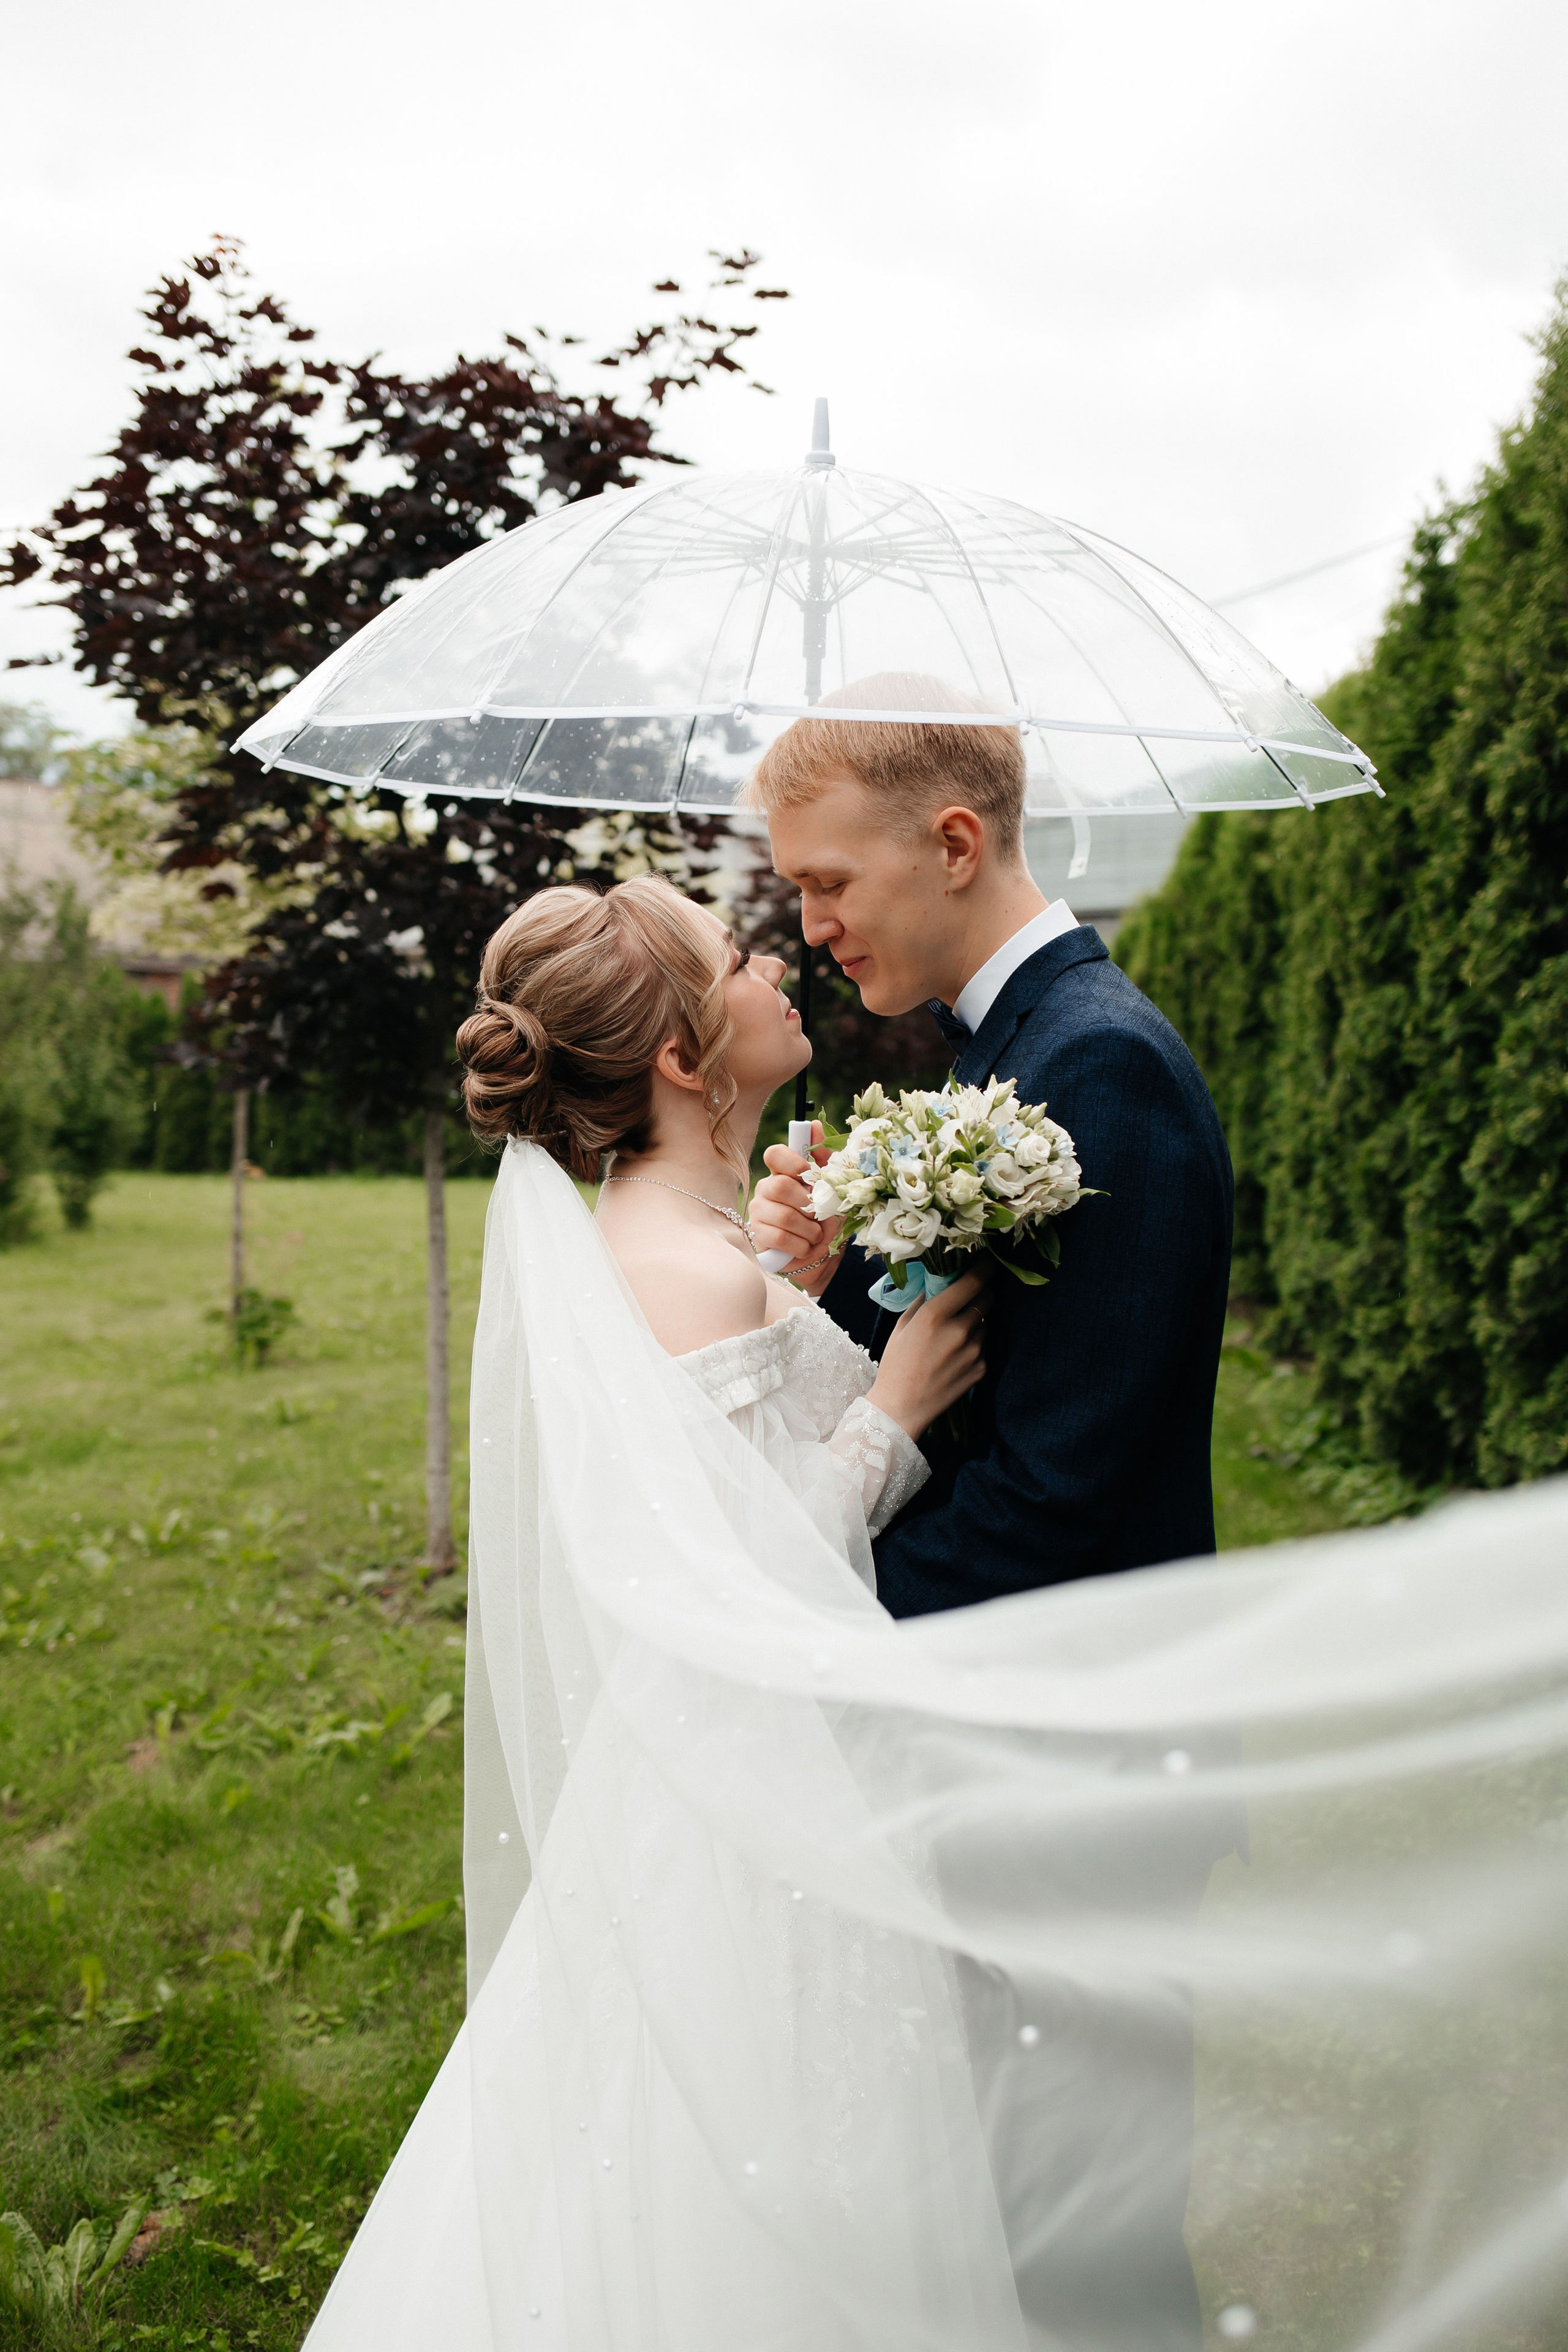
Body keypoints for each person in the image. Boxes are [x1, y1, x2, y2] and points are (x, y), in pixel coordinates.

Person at [298, 864, 1568, 2352]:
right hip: (760, 1823)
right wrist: (884, 1424)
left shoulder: (707, 1253)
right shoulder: (676, 1272)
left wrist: (819, 1290)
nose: (777, 960)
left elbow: (739, 1450)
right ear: (676, 1053)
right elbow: (722, 1594)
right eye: (734, 958)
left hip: (772, 1800)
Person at [747, 676, 1235, 1620]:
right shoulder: (1013, 1045)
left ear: (956, 845)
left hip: (1065, 1706)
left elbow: (1053, 1498)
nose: (810, 926)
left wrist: (810, 1626)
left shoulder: (1102, 1066)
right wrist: (836, 1275)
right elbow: (969, 1347)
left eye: (830, 883)